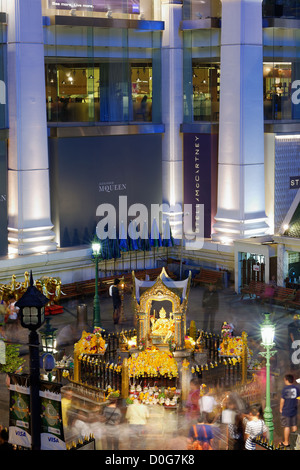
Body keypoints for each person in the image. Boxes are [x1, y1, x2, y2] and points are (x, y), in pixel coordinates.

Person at [279, 373, 300, 448]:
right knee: (294, 425)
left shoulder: (285, 389)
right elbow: (298, 399)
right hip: (294, 410)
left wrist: (281, 408)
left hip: (286, 410)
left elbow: (282, 400)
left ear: (286, 380)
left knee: (287, 426)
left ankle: (286, 442)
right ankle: (295, 441)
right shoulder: (296, 388)